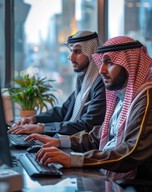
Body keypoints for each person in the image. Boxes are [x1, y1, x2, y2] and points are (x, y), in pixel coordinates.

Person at [25, 36, 152, 182]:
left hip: (135, 184)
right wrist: (60, 142)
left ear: (131, 64)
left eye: (109, 63)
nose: (102, 70)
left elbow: (130, 153)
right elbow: (100, 134)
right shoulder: (124, 95)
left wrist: (74, 159)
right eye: (102, 62)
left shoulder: (146, 98)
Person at [10, 31, 106, 136]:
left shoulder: (101, 84)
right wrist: (34, 119)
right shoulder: (85, 81)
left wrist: (40, 128)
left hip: (82, 146)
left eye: (77, 52)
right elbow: (64, 111)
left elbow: (87, 125)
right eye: (71, 51)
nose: (71, 57)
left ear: (91, 53)